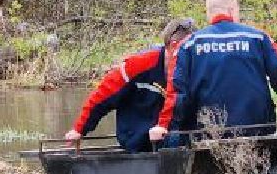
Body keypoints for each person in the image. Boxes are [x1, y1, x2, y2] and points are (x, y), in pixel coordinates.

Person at [149, 0, 277, 143]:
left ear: (209, 13)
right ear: (232, 10)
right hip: (258, 130)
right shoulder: (258, 38)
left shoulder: (188, 45)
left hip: (210, 133)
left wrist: (164, 126)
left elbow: (177, 92)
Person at [64, 17, 196, 152]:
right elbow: (102, 96)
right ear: (172, 45)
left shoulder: (197, 68)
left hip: (175, 138)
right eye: (187, 50)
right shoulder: (139, 63)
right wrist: (79, 129)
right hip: (136, 139)